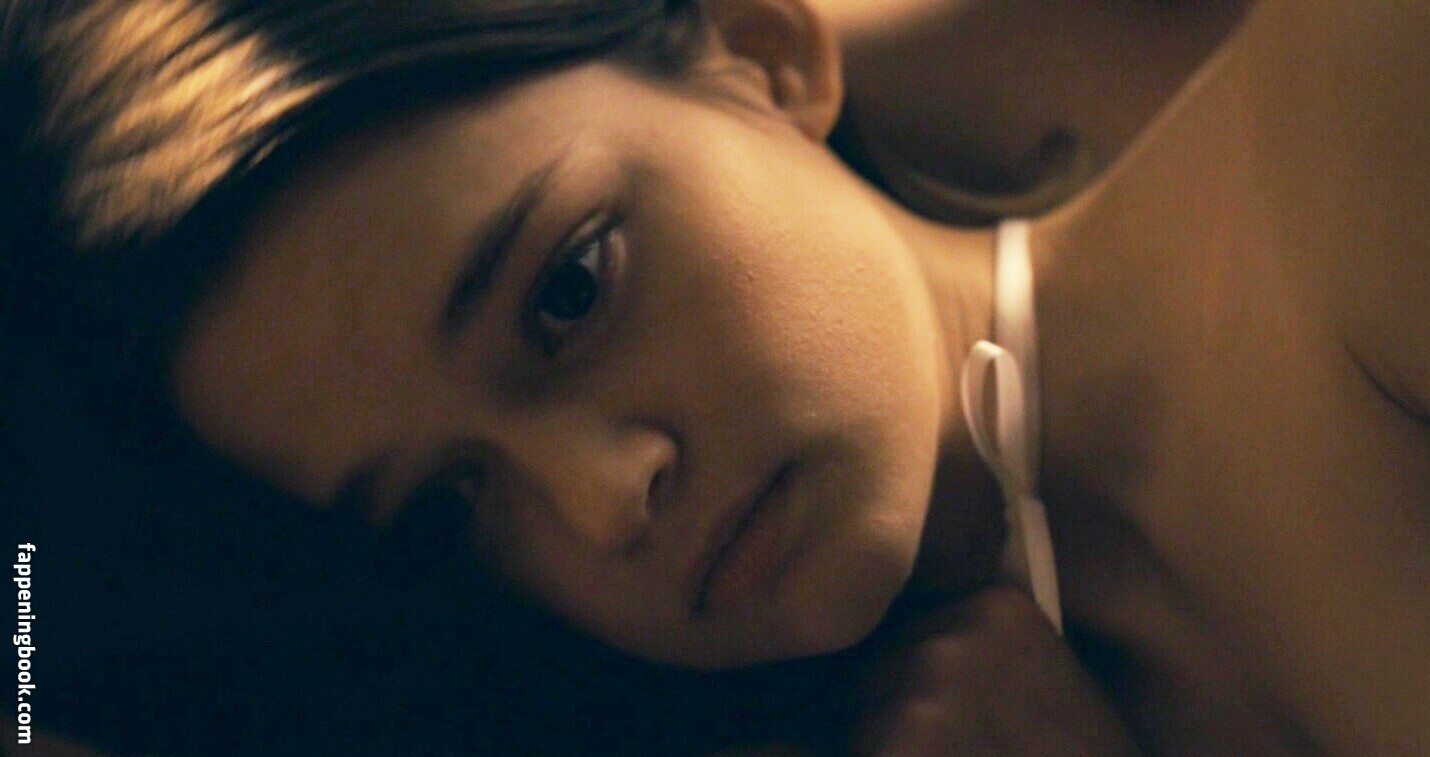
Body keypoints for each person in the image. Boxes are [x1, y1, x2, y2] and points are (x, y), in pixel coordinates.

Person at [3, 0, 1425, 753]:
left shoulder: (1358, 131)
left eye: (569, 290)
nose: (599, 501)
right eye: (449, 504)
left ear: (761, 50)